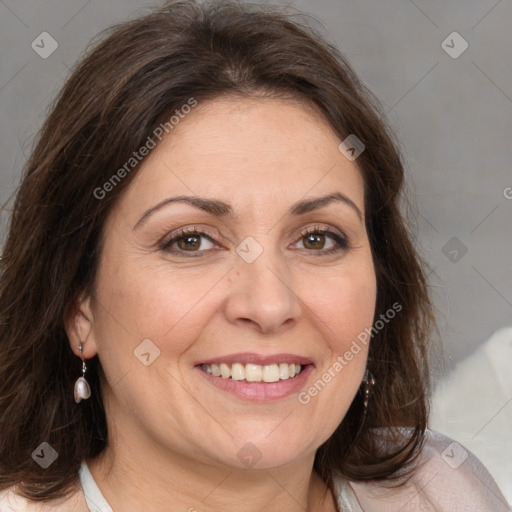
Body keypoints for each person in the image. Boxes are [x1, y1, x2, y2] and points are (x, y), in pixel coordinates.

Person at [0, 1, 509, 510]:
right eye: (191, 241)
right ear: (78, 305)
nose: (269, 305)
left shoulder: (443, 490)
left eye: (317, 239)